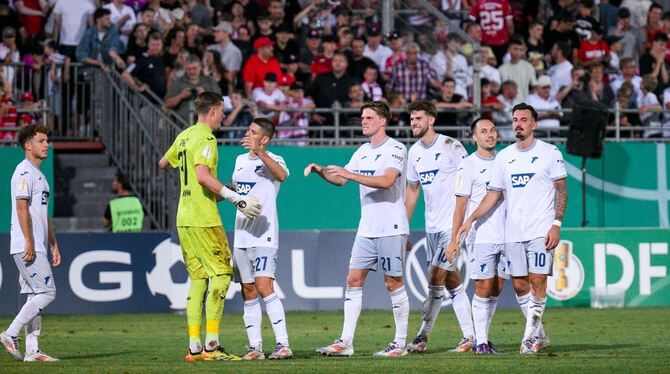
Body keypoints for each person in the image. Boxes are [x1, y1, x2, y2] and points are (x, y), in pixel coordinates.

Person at [159, 91, 262, 362]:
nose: (225, 116)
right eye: (223, 111)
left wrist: (219, 188)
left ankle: (194, 347)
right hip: (204, 218)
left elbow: (164, 162)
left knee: (198, 279)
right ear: (214, 110)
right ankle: (212, 346)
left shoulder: (184, 136)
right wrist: (235, 198)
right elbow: (204, 177)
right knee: (222, 275)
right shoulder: (206, 138)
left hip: (184, 217)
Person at [458, 103, 566, 355]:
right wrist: (470, 218)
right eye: (515, 119)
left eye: (524, 120)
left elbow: (561, 190)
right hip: (513, 234)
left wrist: (556, 224)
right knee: (519, 285)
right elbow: (493, 194)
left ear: (534, 124)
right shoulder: (505, 157)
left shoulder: (550, 153)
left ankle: (529, 338)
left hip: (540, 230)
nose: (518, 123)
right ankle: (540, 335)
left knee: (538, 281)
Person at [308, 101, 410, 357]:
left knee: (393, 282)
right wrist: (321, 171)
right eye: (362, 117)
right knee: (353, 280)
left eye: (369, 117)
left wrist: (350, 175)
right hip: (366, 229)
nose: (363, 121)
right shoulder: (363, 150)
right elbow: (341, 179)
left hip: (390, 227)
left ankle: (399, 344)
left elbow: (387, 181)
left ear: (383, 121)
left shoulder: (396, 149)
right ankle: (345, 342)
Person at [403, 101, 475, 354]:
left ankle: (422, 336)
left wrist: (464, 224)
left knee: (435, 277)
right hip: (431, 227)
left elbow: (471, 178)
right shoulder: (414, 152)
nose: (414, 123)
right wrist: (404, 227)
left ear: (431, 120)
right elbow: (412, 190)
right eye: (411, 119)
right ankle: (470, 336)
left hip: (451, 225)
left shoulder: (450, 146)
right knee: (452, 281)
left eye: (418, 118)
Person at [446, 117, 509, 355]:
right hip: (481, 235)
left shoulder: (506, 160)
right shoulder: (467, 165)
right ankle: (480, 342)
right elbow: (460, 204)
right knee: (483, 286)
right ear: (475, 137)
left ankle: (485, 337)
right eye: (483, 131)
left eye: (492, 130)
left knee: (496, 287)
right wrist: (454, 238)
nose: (490, 134)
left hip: (507, 234)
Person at [232, 118, 292, 360]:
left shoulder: (274, 160)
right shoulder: (239, 161)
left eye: (253, 132)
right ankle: (255, 347)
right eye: (248, 129)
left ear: (265, 139)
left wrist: (260, 153)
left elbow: (282, 175)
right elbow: (235, 189)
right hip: (241, 236)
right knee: (247, 290)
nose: (248, 133)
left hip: (264, 236)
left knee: (264, 286)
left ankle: (283, 344)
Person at [1, 124, 60, 362]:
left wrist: (54, 244)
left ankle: (32, 351)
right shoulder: (23, 172)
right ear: (28, 145)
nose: (47, 145)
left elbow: (42, 215)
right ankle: (10, 333)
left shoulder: (40, 176)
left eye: (47, 141)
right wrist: (28, 241)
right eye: (41, 141)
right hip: (28, 245)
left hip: (38, 244)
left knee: (33, 295)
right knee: (47, 292)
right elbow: (21, 207)